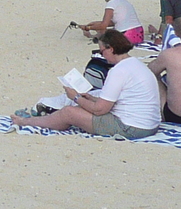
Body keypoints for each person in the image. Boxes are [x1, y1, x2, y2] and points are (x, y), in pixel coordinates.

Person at [10, 29, 161, 139]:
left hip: (132, 128)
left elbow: (100, 110)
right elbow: (119, 100)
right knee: (80, 106)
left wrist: (75, 97)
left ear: (111, 49)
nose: (101, 55)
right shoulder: (136, 65)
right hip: (149, 125)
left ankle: (26, 122)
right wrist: (88, 98)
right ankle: (38, 120)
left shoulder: (119, 71)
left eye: (101, 51)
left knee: (69, 112)